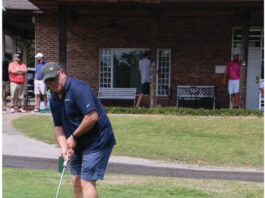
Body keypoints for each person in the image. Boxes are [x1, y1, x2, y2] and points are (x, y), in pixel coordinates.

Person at [41, 62, 116, 198]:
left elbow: (92, 117)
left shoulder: (78, 89)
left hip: (97, 140)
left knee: (86, 181)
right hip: (78, 144)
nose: (53, 83)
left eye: (55, 78)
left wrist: (74, 137)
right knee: (76, 180)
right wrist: (64, 147)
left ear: (62, 73)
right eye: (49, 81)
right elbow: (58, 127)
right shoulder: (54, 100)